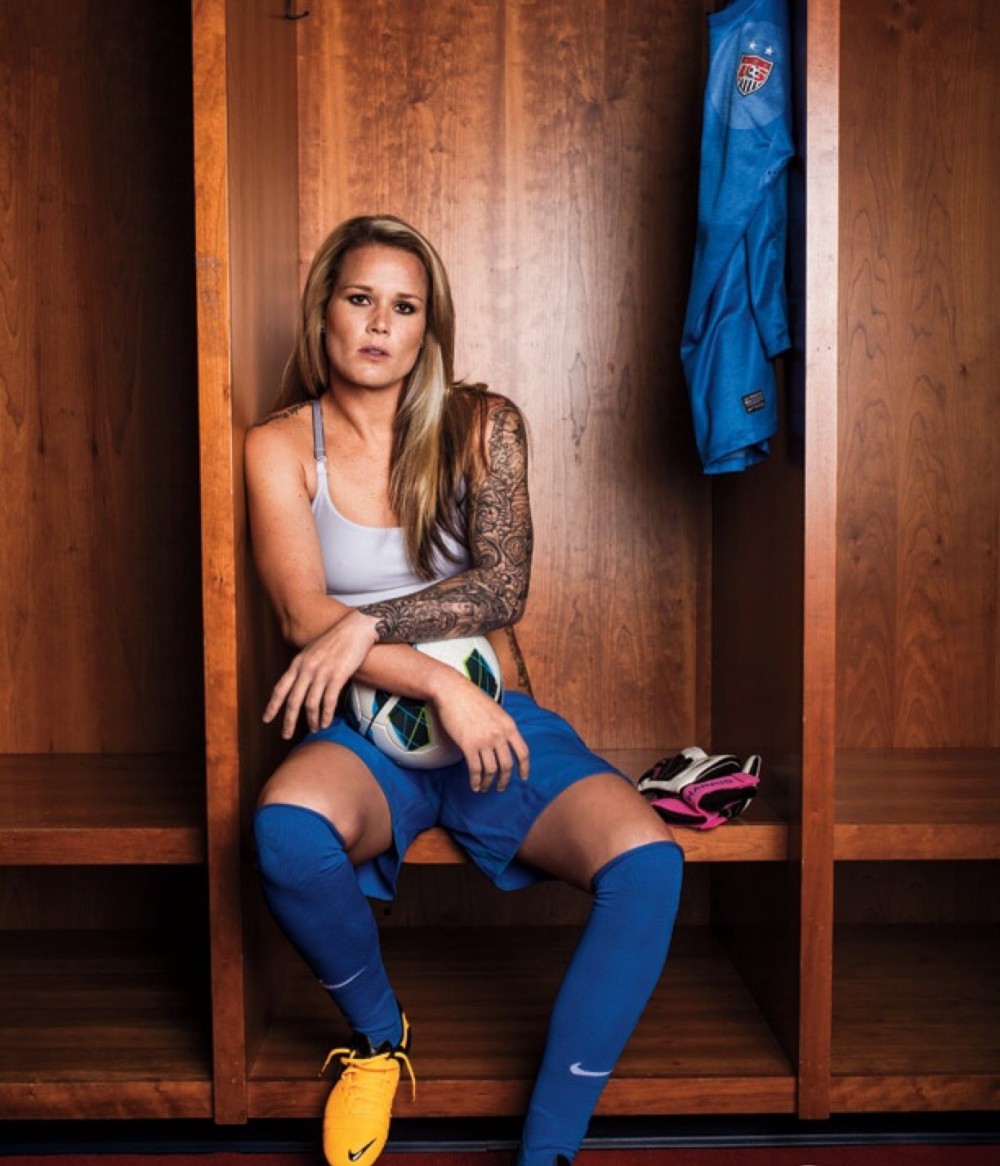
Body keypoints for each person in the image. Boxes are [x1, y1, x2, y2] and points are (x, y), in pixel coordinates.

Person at [245, 214, 684, 1166]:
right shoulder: (279, 446)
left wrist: (366, 623)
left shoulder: (485, 425)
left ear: (428, 327)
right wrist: (430, 682)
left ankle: (548, 1148)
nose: (379, 324)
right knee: (284, 832)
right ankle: (378, 1039)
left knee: (649, 865)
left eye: (404, 307)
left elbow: (501, 588)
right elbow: (300, 615)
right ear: (324, 312)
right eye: (360, 298)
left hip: (495, 725)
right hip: (366, 733)